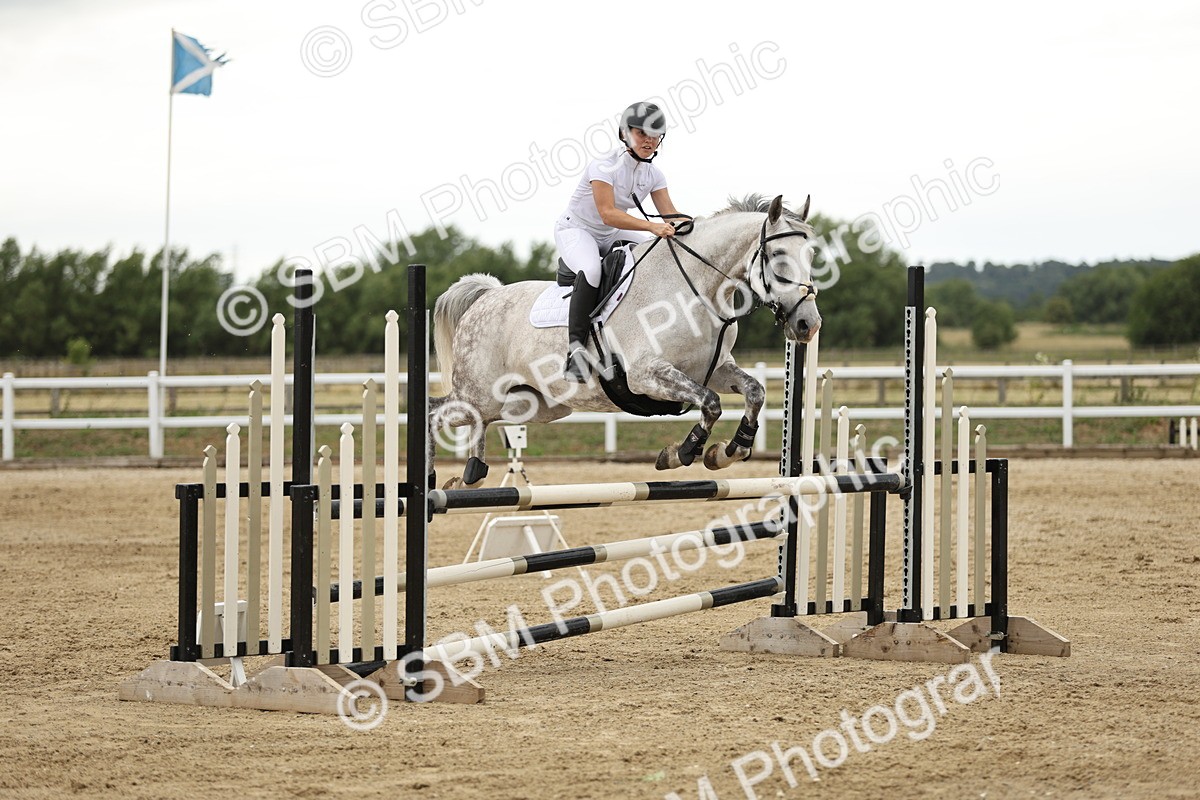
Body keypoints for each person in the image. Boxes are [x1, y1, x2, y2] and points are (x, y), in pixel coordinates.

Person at [554, 101, 685, 382]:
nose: (649, 141)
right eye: (642, 134)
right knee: (591, 270)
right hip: (577, 230)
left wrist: (698, 229)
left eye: (655, 135)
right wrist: (653, 227)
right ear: (624, 133)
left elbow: (671, 216)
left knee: (654, 252)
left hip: (610, 233)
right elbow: (608, 213)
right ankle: (575, 351)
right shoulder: (603, 165)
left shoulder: (654, 174)